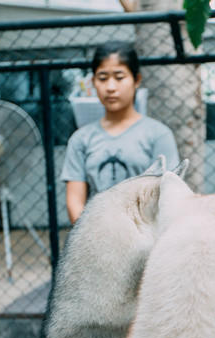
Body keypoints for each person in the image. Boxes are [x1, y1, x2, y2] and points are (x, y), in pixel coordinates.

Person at [61, 41, 179, 223]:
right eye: (102, 78)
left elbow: (170, 197)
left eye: (119, 77)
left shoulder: (158, 135)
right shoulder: (81, 139)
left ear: (136, 80)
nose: (110, 87)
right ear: (93, 82)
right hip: (96, 238)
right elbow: (75, 202)